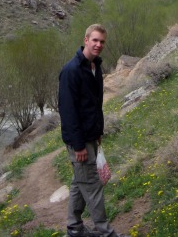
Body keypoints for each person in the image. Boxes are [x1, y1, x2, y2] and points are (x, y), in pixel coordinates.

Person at [58, 24, 127, 237]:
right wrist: (78, 145)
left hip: (91, 136)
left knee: (79, 183)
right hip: (79, 141)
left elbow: (93, 105)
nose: (98, 45)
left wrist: (97, 133)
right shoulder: (71, 71)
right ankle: (106, 232)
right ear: (86, 39)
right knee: (93, 185)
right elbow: (67, 112)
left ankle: (74, 228)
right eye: (95, 40)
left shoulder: (94, 67)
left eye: (102, 42)